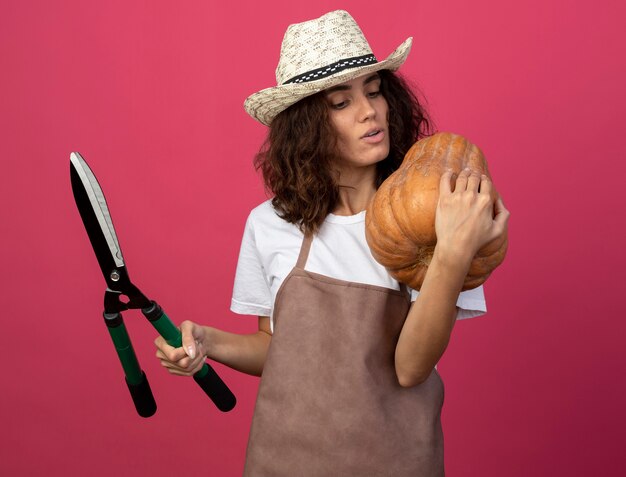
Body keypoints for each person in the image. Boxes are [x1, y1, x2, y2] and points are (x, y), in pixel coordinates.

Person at [154, 10, 509, 477]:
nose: (370, 111)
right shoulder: (270, 225)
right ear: (306, 127)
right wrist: (207, 341)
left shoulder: (435, 216)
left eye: (375, 92)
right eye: (341, 103)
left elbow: (411, 368)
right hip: (284, 461)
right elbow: (276, 347)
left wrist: (454, 250)